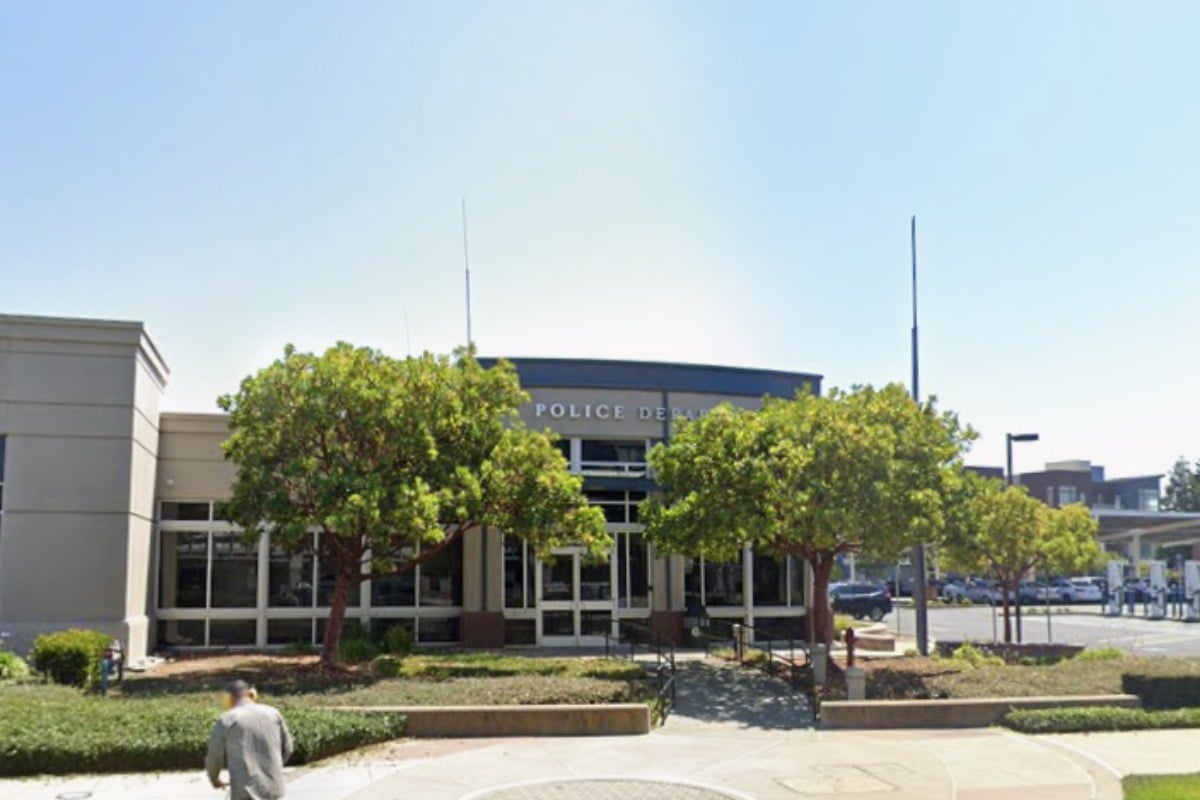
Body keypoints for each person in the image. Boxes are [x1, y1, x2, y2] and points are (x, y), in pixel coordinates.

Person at [205, 680, 294, 799]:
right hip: (273, 788)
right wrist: (274, 767)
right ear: (251, 694)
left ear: (229, 697)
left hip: (245, 790)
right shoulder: (274, 713)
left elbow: (214, 756)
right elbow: (288, 748)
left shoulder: (227, 719)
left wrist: (214, 779)